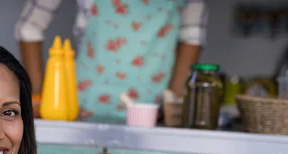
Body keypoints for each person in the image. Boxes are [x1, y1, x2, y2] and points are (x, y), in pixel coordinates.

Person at [15, 0, 209, 123]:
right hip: (80, 113)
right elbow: (29, 27)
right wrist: (40, 95)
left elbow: (192, 36)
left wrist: (174, 103)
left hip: (153, 119)